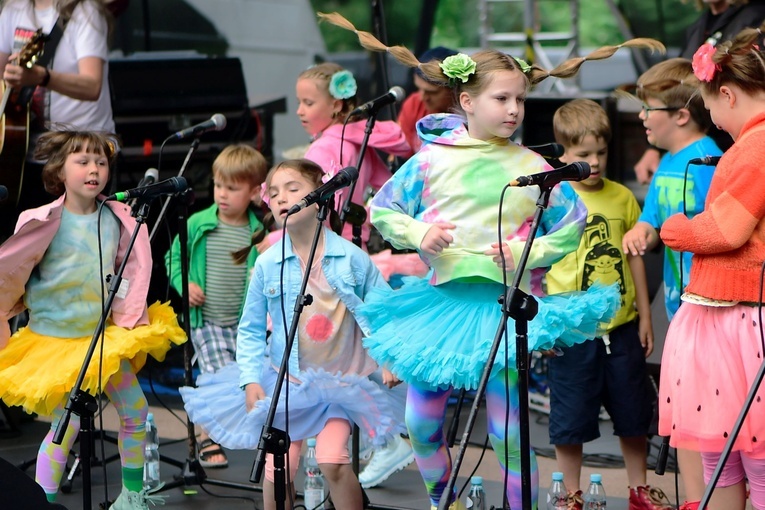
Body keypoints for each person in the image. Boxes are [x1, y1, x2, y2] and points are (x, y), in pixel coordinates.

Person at [318, 11, 663, 509]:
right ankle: (447, 502)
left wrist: (526, 251)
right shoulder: (432, 159)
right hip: (438, 309)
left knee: (509, 431)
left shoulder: (532, 166)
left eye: (520, 99)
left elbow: (573, 226)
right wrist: (421, 231)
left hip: (502, 309)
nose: (514, 109)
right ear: (467, 101)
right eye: (502, 98)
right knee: (421, 423)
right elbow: (382, 209)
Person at [180, 158, 407, 510]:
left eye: (293, 188)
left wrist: (389, 358)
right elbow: (252, 328)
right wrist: (250, 379)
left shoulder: (351, 259)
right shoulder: (268, 264)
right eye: (273, 192)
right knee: (277, 467)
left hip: (341, 384)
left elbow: (384, 312)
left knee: (333, 460)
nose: (282, 197)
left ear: (321, 195)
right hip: (288, 381)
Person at [0, 130, 186, 508]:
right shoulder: (41, 219)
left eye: (101, 162)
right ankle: (44, 501)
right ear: (59, 171)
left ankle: (133, 496)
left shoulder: (117, 217)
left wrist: (130, 316)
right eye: (82, 161)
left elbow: (127, 271)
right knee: (64, 427)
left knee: (136, 413)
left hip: (103, 337)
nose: (94, 169)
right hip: (58, 343)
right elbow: (14, 270)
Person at [296, 61, 424, 486]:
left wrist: (349, 124)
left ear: (336, 104)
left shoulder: (330, 145)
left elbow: (397, 145)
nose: (299, 110)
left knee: (340, 349)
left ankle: (385, 437)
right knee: (353, 347)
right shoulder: (352, 138)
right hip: (354, 245)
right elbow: (390, 170)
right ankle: (386, 434)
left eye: (308, 102)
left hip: (336, 251)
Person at [653, 23, 765, 510]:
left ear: (727, 94)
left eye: (711, 107)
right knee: (730, 456)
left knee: (747, 459)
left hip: (742, 315)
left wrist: (675, 228)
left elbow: (726, 230)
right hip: (733, 311)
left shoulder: (756, 147)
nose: (714, 120)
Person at [545, 99, 670, 510]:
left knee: (632, 409)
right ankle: (571, 493)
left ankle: (639, 488)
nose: (595, 162)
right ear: (563, 153)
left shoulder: (621, 198)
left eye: (601, 152)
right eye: (584, 155)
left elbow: (635, 256)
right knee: (571, 416)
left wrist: (646, 317)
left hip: (621, 327)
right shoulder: (553, 198)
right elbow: (536, 262)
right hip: (571, 329)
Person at [622, 57, 720, 508]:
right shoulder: (666, 163)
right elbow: (652, 219)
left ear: (681, 115)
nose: (641, 116)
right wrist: (642, 229)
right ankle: (693, 498)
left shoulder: (708, 163)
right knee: (680, 411)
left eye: (650, 108)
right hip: (678, 308)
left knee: (705, 415)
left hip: (711, 309)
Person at [164, 143, 268, 469]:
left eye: (232, 188)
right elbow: (173, 259)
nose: (222, 194)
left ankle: (250, 434)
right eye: (218, 185)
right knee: (213, 377)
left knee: (250, 376)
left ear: (253, 193)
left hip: (244, 324)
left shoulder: (259, 232)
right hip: (205, 322)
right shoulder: (199, 223)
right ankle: (207, 438)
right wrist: (185, 286)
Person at [0, 0, 116, 238]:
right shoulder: (14, 9)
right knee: (26, 246)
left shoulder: (85, 12)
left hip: (82, 153)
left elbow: (92, 84)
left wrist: (42, 76)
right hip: (27, 153)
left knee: (76, 245)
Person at [633, 0, 765, 184]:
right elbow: (676, 89)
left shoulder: (754, 17)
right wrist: (655, 148)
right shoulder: (698, 25)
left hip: (733, 146)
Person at [397, 46, 459, 155]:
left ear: (455, 90)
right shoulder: (414, 103)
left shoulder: (471, 118)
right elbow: (399, 153)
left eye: (432, 92)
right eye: (419, 88)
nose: (422, 97)